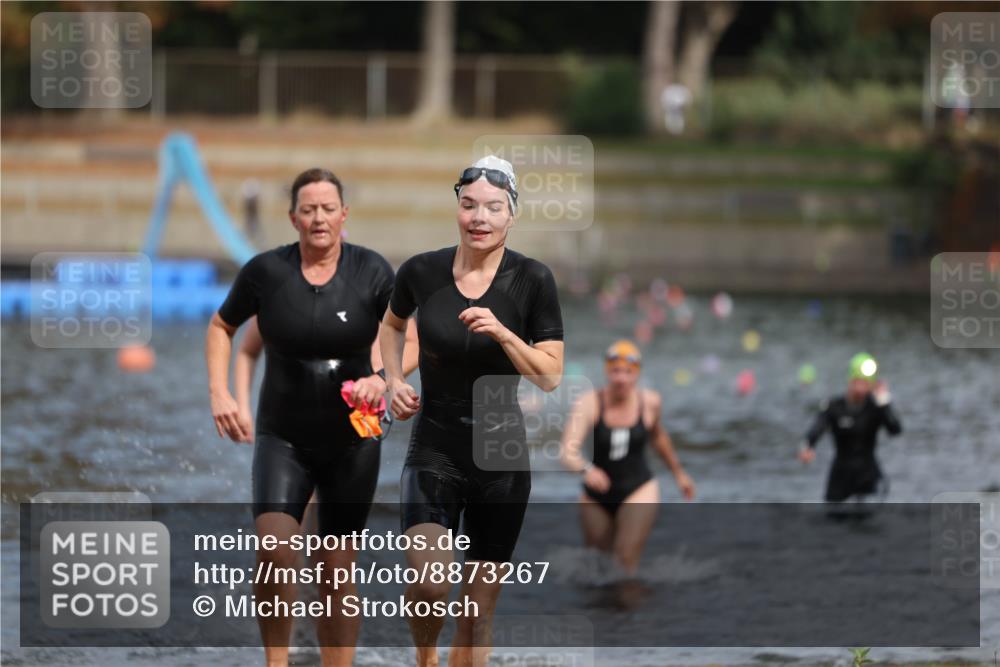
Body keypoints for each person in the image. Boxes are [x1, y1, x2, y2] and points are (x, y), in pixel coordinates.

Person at [205, 168, 403, 667]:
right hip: (283, 438)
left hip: (353, 440)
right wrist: (222, 393)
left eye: (328, 208)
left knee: (336, 567)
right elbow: (221, 326)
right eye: (308, 209)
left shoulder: (373, 271)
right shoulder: (265, 273)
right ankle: (277, 662)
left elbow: (408, 334)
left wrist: (383, 377)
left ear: (344, 215)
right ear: (293, 217)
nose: (319, 218)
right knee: (274, 548)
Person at [379, 155, 564, 667]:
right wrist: (394, 379)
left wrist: (505, 333)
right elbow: (392, 326)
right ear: (457, 209)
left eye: (493, 208)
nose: (479, 218)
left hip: (501, 454)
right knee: (429, 584)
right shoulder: (421, 271)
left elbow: (550, 376)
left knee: (477, 615)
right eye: (469, 206)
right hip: (434, 445)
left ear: (512, 215)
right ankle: (424, 660)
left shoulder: (532, 280)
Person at [560, 340, 695, 575]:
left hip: (638, 488)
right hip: (596, 496)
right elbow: (567, 452)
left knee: (625, 557)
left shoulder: (650, 402)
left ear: (637, 374)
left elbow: (659, 438)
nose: (621, 378)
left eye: (628, 372)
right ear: (607, 372)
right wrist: (586, 470)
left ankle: (630, 609)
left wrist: (679, 474)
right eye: (615, 371)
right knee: (598, 566)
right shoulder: (590, 403)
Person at [797, 352, 903, 502]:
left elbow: (895, 430)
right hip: (840, 478)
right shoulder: (834, 407)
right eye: (858, 381)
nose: (861, 387)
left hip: (868, 478)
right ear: (850, 380)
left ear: (872, 384)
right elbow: (815, 430)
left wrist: (885, 402)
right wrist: (806, 448)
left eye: (865, 382)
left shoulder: (876, 408)